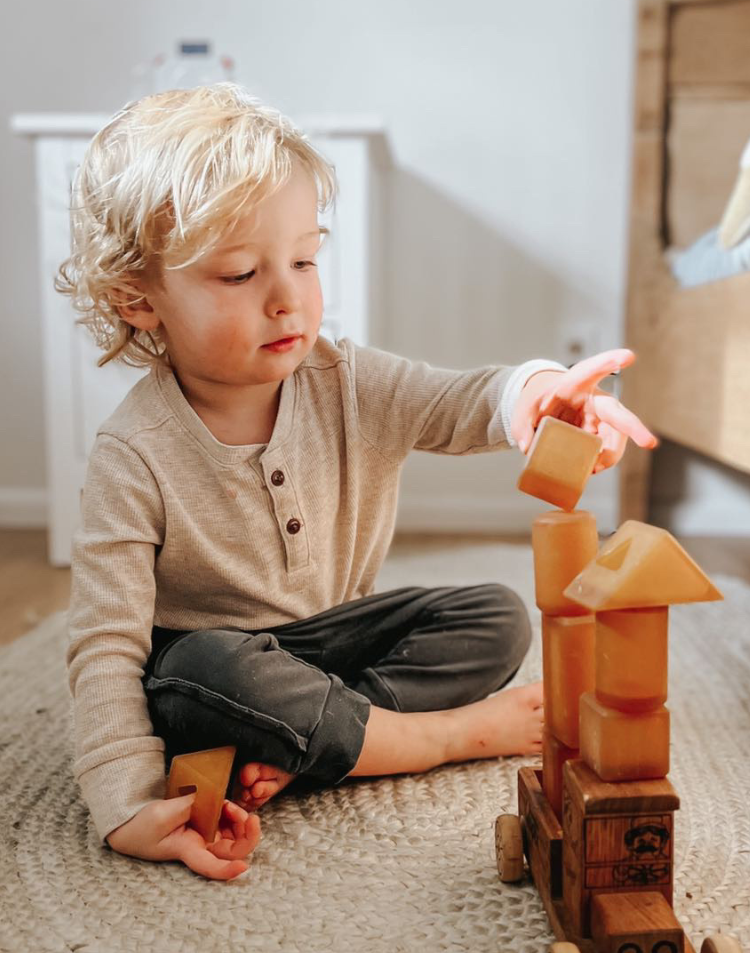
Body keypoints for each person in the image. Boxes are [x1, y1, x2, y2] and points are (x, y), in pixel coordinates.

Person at [57, 83, 658, 884]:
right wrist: (128, 800)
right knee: (202, 669)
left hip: (330, 647)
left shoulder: (348, 382)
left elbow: (465, 398)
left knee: (494, 615)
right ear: (140, 300)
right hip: (216, 679)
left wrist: (539, 395)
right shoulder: (133, 453)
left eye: (305, 259)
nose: (287, 298)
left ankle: (310, 750)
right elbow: (105, 645)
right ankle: (436, 736)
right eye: (239, 274)